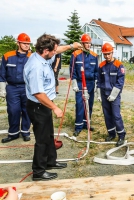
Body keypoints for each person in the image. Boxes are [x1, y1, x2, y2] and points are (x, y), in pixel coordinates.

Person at [24, 33, 82, 181]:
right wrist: (55, 108)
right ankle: (39, 172)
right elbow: (38, 93)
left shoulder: (42, 57)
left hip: (43, 106)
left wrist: (71, 46)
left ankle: (50, 162)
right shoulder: (36, 66)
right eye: (53, 51)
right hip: (38, 106)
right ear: (45, 50)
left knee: (49, 135)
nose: (55, 52)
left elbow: (58, 49)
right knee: (42, 139)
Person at [0, 33, 32, 143]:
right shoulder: (8, 56)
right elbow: (2, 74)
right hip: (12, 88)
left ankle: (25, 132)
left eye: (28, 44)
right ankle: (13, 133)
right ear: (18, 43)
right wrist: (2, 89)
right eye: (24, 43)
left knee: (27, 110)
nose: (27, 46)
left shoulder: (32, 57)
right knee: (13, 110)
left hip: (27, 88)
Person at [96, 43, 126, 147]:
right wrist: (99, 94)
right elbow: (99, 81)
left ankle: (121, 135)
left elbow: (120, 82)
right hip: (104, 94)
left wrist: (113, 95)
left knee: (116, 116)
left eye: (108, 54)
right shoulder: (101, 66)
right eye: (105, 54)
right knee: (107, 115)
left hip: (115, 95)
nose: (107, 56)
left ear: (112, 53)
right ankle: (111, 133)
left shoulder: (118, 65)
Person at [70, 34, 98, 136]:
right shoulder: (75, 55)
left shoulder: (94, 56)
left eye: (89, 43)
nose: (88, 45)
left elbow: (96, 72)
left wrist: (96, 83)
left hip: (90, 83)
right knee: (80, 104)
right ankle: (78, 126)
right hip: (80, 82)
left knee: (89, 104)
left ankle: (87, 124)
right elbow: (72, 70)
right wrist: (74, 83)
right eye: (86, 43)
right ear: (82, 43)